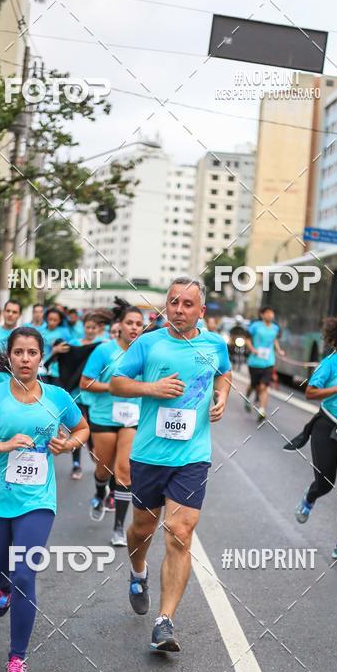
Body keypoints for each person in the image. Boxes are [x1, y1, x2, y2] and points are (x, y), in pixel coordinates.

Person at [110, 276, 231, 652]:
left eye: (187, 304)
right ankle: (138, 570)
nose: (179, 309)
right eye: (173, 302)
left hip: (192, 457)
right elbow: (116, 383)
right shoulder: (148, 343)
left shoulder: (214, 344)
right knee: (141, 529)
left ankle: (165, 621)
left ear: (201, 310)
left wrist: (222, 395)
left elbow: (223, 371)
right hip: (148, 455)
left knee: (180, 530)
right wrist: (151, 388)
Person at [0, 327, 89, 672]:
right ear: (9, 357)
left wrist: (69, 445)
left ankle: (17, 658)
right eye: (18, 352)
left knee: (24, 575)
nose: (25, 359)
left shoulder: (56, 397)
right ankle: (0, 586)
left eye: (32, 352)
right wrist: (3, 446)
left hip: (37, 500)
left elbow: (82, 429)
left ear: (41, 357)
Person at [294, 315, 337, 562]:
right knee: (326, 482)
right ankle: (310, 497)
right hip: (327, 427)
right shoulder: (331, 363)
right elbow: (310, 392)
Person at [80, 305, 144, 545]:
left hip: (132, 418)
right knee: (103, 468)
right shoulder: (104, 351)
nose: (134, 327)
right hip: (104, 417)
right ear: (120, 326)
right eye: (130, 323)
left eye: (139, 324)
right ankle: (99, 491)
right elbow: (85, 383)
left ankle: (118, 528)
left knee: (124, 471)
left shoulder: (145, 352)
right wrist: (113, 387)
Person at [66, 313, 108, 480]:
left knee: (92, 431)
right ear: (83, 328)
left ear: (98, 329)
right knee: (77, 428)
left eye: (93, 327)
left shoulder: (103, 346)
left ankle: (99, 460)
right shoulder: (74, 344)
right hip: (76, 395)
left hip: (94, 396)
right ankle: (76, 463)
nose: (90, 330)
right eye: (87, 327)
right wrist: (57, 351)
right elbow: (64, 362)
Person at [245, 306, 284, 419]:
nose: (270, 315)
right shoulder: (255, 326)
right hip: (255, 362)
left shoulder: (275, 328)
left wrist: (279, 350)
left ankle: (262, 410)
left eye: (272, 313)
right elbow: (247, 339)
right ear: (262, 315)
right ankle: (247, 398)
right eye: (267, 313)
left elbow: (274, 340)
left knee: (264, 386)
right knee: (253, 385)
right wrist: (253, 349)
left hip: (269, 362)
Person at [40, 307, 68, 386]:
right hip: (41, 368)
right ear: (46, 318)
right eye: (50, 319)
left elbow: (69, 347)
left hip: (57, 370)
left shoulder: (64, 332)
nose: (52, 322)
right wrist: (53, 350)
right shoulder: (40, 331)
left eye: (55, 320)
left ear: (60, 321)